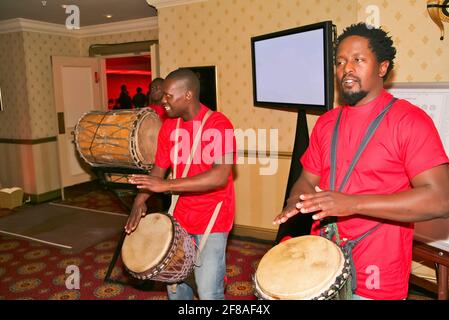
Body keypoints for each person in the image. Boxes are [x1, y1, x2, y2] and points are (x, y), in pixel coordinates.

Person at [273, 22, 449, 300]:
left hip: (378, 272)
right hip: (323, 263)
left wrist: (351, 203)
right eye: (341, 61)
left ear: (382, 67)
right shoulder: (326, 122)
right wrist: (296, 200)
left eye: (358, 59)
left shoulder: (409, 121)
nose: (347, 69)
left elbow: (441, 200)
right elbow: (308, 178)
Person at [125, 68, 236, 300]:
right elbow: (159, 170)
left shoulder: (219, 124)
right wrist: (140, 199)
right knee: (176, 287)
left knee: (208, 291)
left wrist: (165, 186)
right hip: (180, 217)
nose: (162, 100)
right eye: (162, 95)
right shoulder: (169, 126)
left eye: (168, 95)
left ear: (187, 95)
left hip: (213, 218)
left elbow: (220, 175)